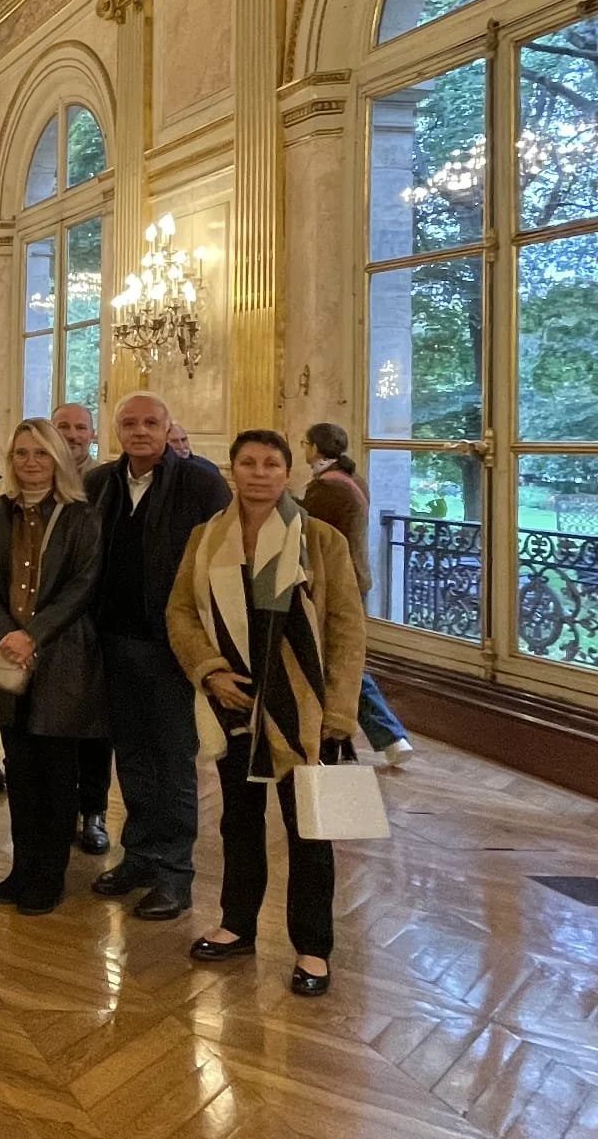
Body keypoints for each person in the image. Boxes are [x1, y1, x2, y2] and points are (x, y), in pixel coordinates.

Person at [168, 430, 366, 998]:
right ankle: (238, 924)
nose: (259, 473)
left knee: (309, 830)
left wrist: (339, 712)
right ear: (232, 470)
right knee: (238, 820)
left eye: (271, 464)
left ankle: (312, 947)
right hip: (232, 702)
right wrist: (209, 669)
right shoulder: (207, 538)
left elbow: (347, 629)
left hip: (302, 708)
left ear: (286, 473)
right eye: (248, 463)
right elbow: (180, 611)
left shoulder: (320, 541)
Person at [84, 392, 231, 920]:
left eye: (151, 422)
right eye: (130, 423)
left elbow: (220, 563)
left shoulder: (200, 482)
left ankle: (175, 874)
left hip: (172, 647)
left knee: (173, 763)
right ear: (117, 430)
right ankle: (140, 857)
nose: (140, 430)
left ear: (168, 427)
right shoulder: (99, 483)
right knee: (134, 759)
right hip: (115, 643)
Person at [0, 419, 105, 914]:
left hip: (61, 654)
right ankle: (22, 866)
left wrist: (34, 634)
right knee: (19, 768)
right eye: (23, 453)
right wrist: (6, 631)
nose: (31, 463)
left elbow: (83, 584)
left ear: (58, 460)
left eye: (41, 454)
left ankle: (49, 875)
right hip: (6, 653)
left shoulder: (81, 516)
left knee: (55, 771)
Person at [301, 423, 413, 765]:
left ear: (317, 449)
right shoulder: (352, 479)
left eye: (305, 443)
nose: (303, 448)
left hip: (336, 581)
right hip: (355, 576)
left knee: (342, 661)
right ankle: (372, 739)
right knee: (344, 659)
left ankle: (387, 735)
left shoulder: (326, 489)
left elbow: (312, 535)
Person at [50, 400, 114, 857]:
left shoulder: (106, 483)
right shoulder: (32, 475)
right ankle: (55, 812)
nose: (72, 435)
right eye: (63, 427)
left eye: (80, 428)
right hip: (40, 627)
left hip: (94, 623)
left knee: (94, 727)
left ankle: (93, 812)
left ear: (92, 435)